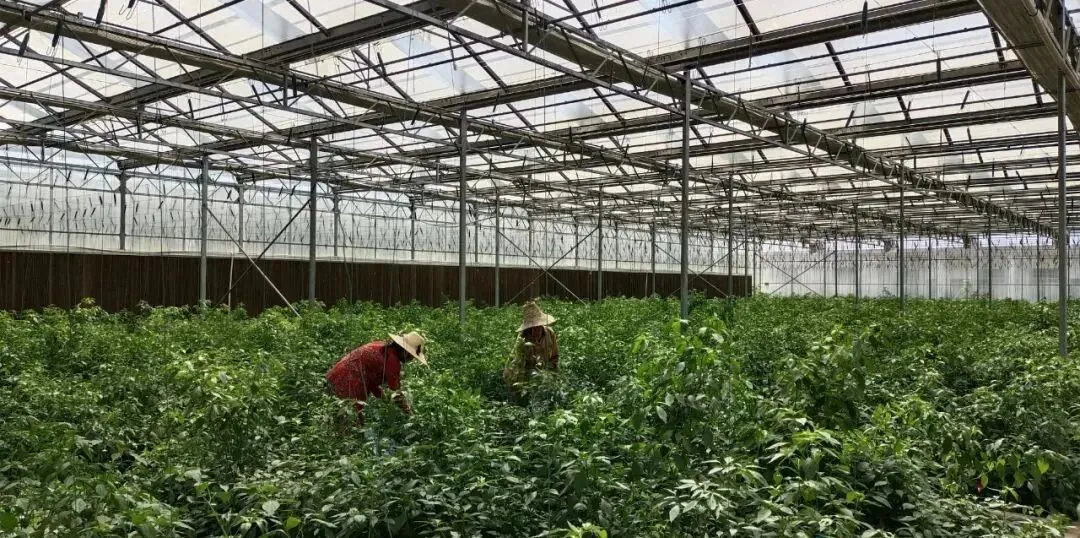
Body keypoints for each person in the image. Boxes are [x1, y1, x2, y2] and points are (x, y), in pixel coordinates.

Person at [325, 331, 427, 425]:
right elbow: (396, 393)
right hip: (347, 382)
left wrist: (383, 398)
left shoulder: (381, 346)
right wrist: (409, 414)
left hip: (334, 375)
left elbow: (370, 378)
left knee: (337, 416)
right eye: (411, 355)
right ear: (405, 351)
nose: (411, 359)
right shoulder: (393, 361)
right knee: (351, 422)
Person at [503, 301, 559, 402]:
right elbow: (514, 364)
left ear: (541, 325)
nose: (533, 332)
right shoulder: (522, 339)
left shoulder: (550, 333)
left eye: (536, 327)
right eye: (530, 328)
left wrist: (553, 376)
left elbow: (555, 357)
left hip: (545, 374)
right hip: (527, 377)